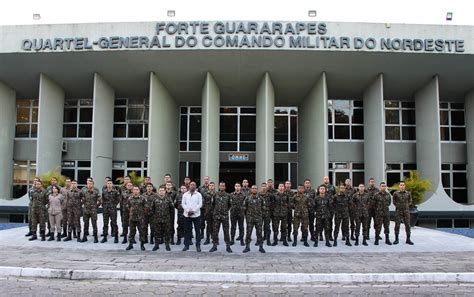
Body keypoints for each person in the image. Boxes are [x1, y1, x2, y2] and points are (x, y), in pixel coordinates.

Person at [209, 182, 232, 253]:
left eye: (223, 186)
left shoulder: (228, 195)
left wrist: (224, 211)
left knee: (226, 232)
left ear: (225, 187)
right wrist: (216, 212)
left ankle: (228, 246)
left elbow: (229, 205)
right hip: (216, 216)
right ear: (219, 187)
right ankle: (214, 245)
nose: (222, 187)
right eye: (221, 186)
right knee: (215, 232)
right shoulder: (215, 195)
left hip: (225, 216)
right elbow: (212, 205)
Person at [243, 185, 266, 253]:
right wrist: (247, 216)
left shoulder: (261, 198)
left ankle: (261, 247)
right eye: (253, 188)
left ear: (257, 190)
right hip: (250, 218)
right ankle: (247, 247)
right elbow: (244, 208)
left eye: (255, 188)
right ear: (251, 190)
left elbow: (263, 208)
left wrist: (259, 215)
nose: (254, 190)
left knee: (259, 233)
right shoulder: (247, 198)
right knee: (248, 233)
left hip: (258, 218)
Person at [151, 186, 174, 251]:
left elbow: (171, 209)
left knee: (167, 232)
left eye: (162, 190)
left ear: (165, 191)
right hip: (157, 219)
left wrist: (169, 216)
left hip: (166, 219)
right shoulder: (154, 199)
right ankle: (156, 245)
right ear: (158, 191)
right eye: (160, 190)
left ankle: (167, 245)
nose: (161, 192)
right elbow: (152, 209)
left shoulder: (168, 199)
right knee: (157, 232)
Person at [182, 181, 202, 252]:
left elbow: (200, 204)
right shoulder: (185, 194)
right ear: (189, 186)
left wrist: (193, 210)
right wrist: (188, 210)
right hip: (187, 215)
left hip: (196, 215)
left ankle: (198, 245)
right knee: (187, 231)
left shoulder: (199, 194)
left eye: (194, 185)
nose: (192, 186)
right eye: (191, 185)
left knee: (197, 231)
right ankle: (186, 245)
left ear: (196, 186)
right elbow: (183, 204)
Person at [126, 186, 147, 251]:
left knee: (142, 232)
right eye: (134, 189)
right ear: (132, 191)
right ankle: (130, 244)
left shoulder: (143, 198)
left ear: (139, 191)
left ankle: (142, 245)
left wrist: (142, 214)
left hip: (140, 218)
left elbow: (146, 207)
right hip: (132, 218)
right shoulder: (130, 198)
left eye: (137, 189)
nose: (135, 191)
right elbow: (128, 207)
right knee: (132, 232)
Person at [322, 176, 336, 241]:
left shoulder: (332, 187)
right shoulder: (320, 187)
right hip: (322, 208)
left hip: (330, 208)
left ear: (329, 180)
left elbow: (335, 195)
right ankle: (321, 235)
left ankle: (330, 235)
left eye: (327, 179)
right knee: (321, 222)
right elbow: (317, 196)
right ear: (323, 180)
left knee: (330, 222)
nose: (326, 180)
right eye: (325, 179)